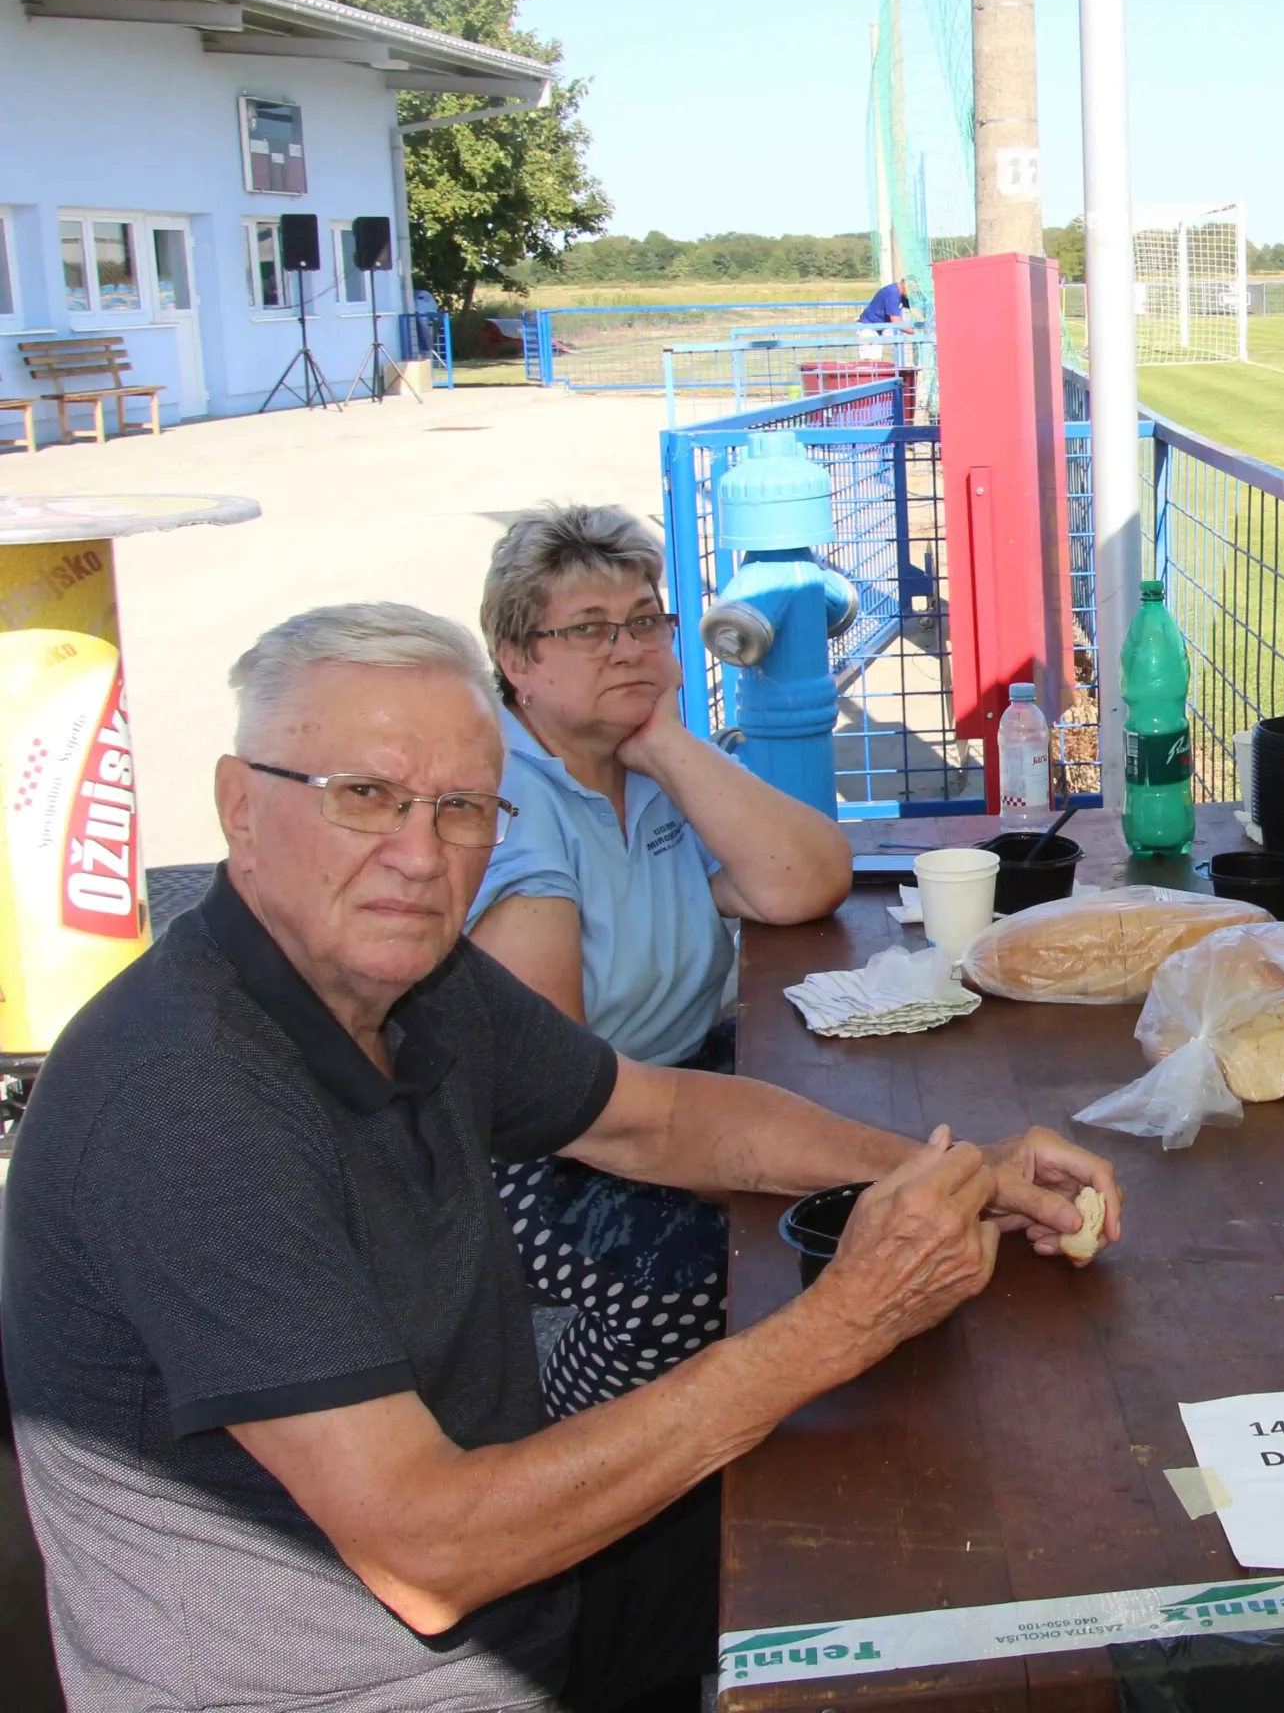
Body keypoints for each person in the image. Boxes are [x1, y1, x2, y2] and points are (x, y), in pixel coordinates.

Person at [1, 604, 1120, 1713]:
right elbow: (428, 1552)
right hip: (361, 1679)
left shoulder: (413, 981)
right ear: (240, 806)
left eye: (460, 808)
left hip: (528, 1589)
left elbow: (660, 1119)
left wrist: (953, 1167)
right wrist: (845, 1318)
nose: (417, 853)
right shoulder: (182, 1105)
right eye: (365, 796)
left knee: (959, 1540)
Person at [469, 507, 850, 1416]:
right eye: (590, 630)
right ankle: (560, 1451)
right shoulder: (508, 802)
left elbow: (802, 884)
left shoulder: (639, 763)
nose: (629, 648)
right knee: (688, 1276)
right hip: (515, 1147)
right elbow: (551, 1089)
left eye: (646, 621)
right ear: (518, 662)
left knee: (844, 1105)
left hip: (673, 1073)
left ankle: (752, 1429)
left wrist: (668, 743)